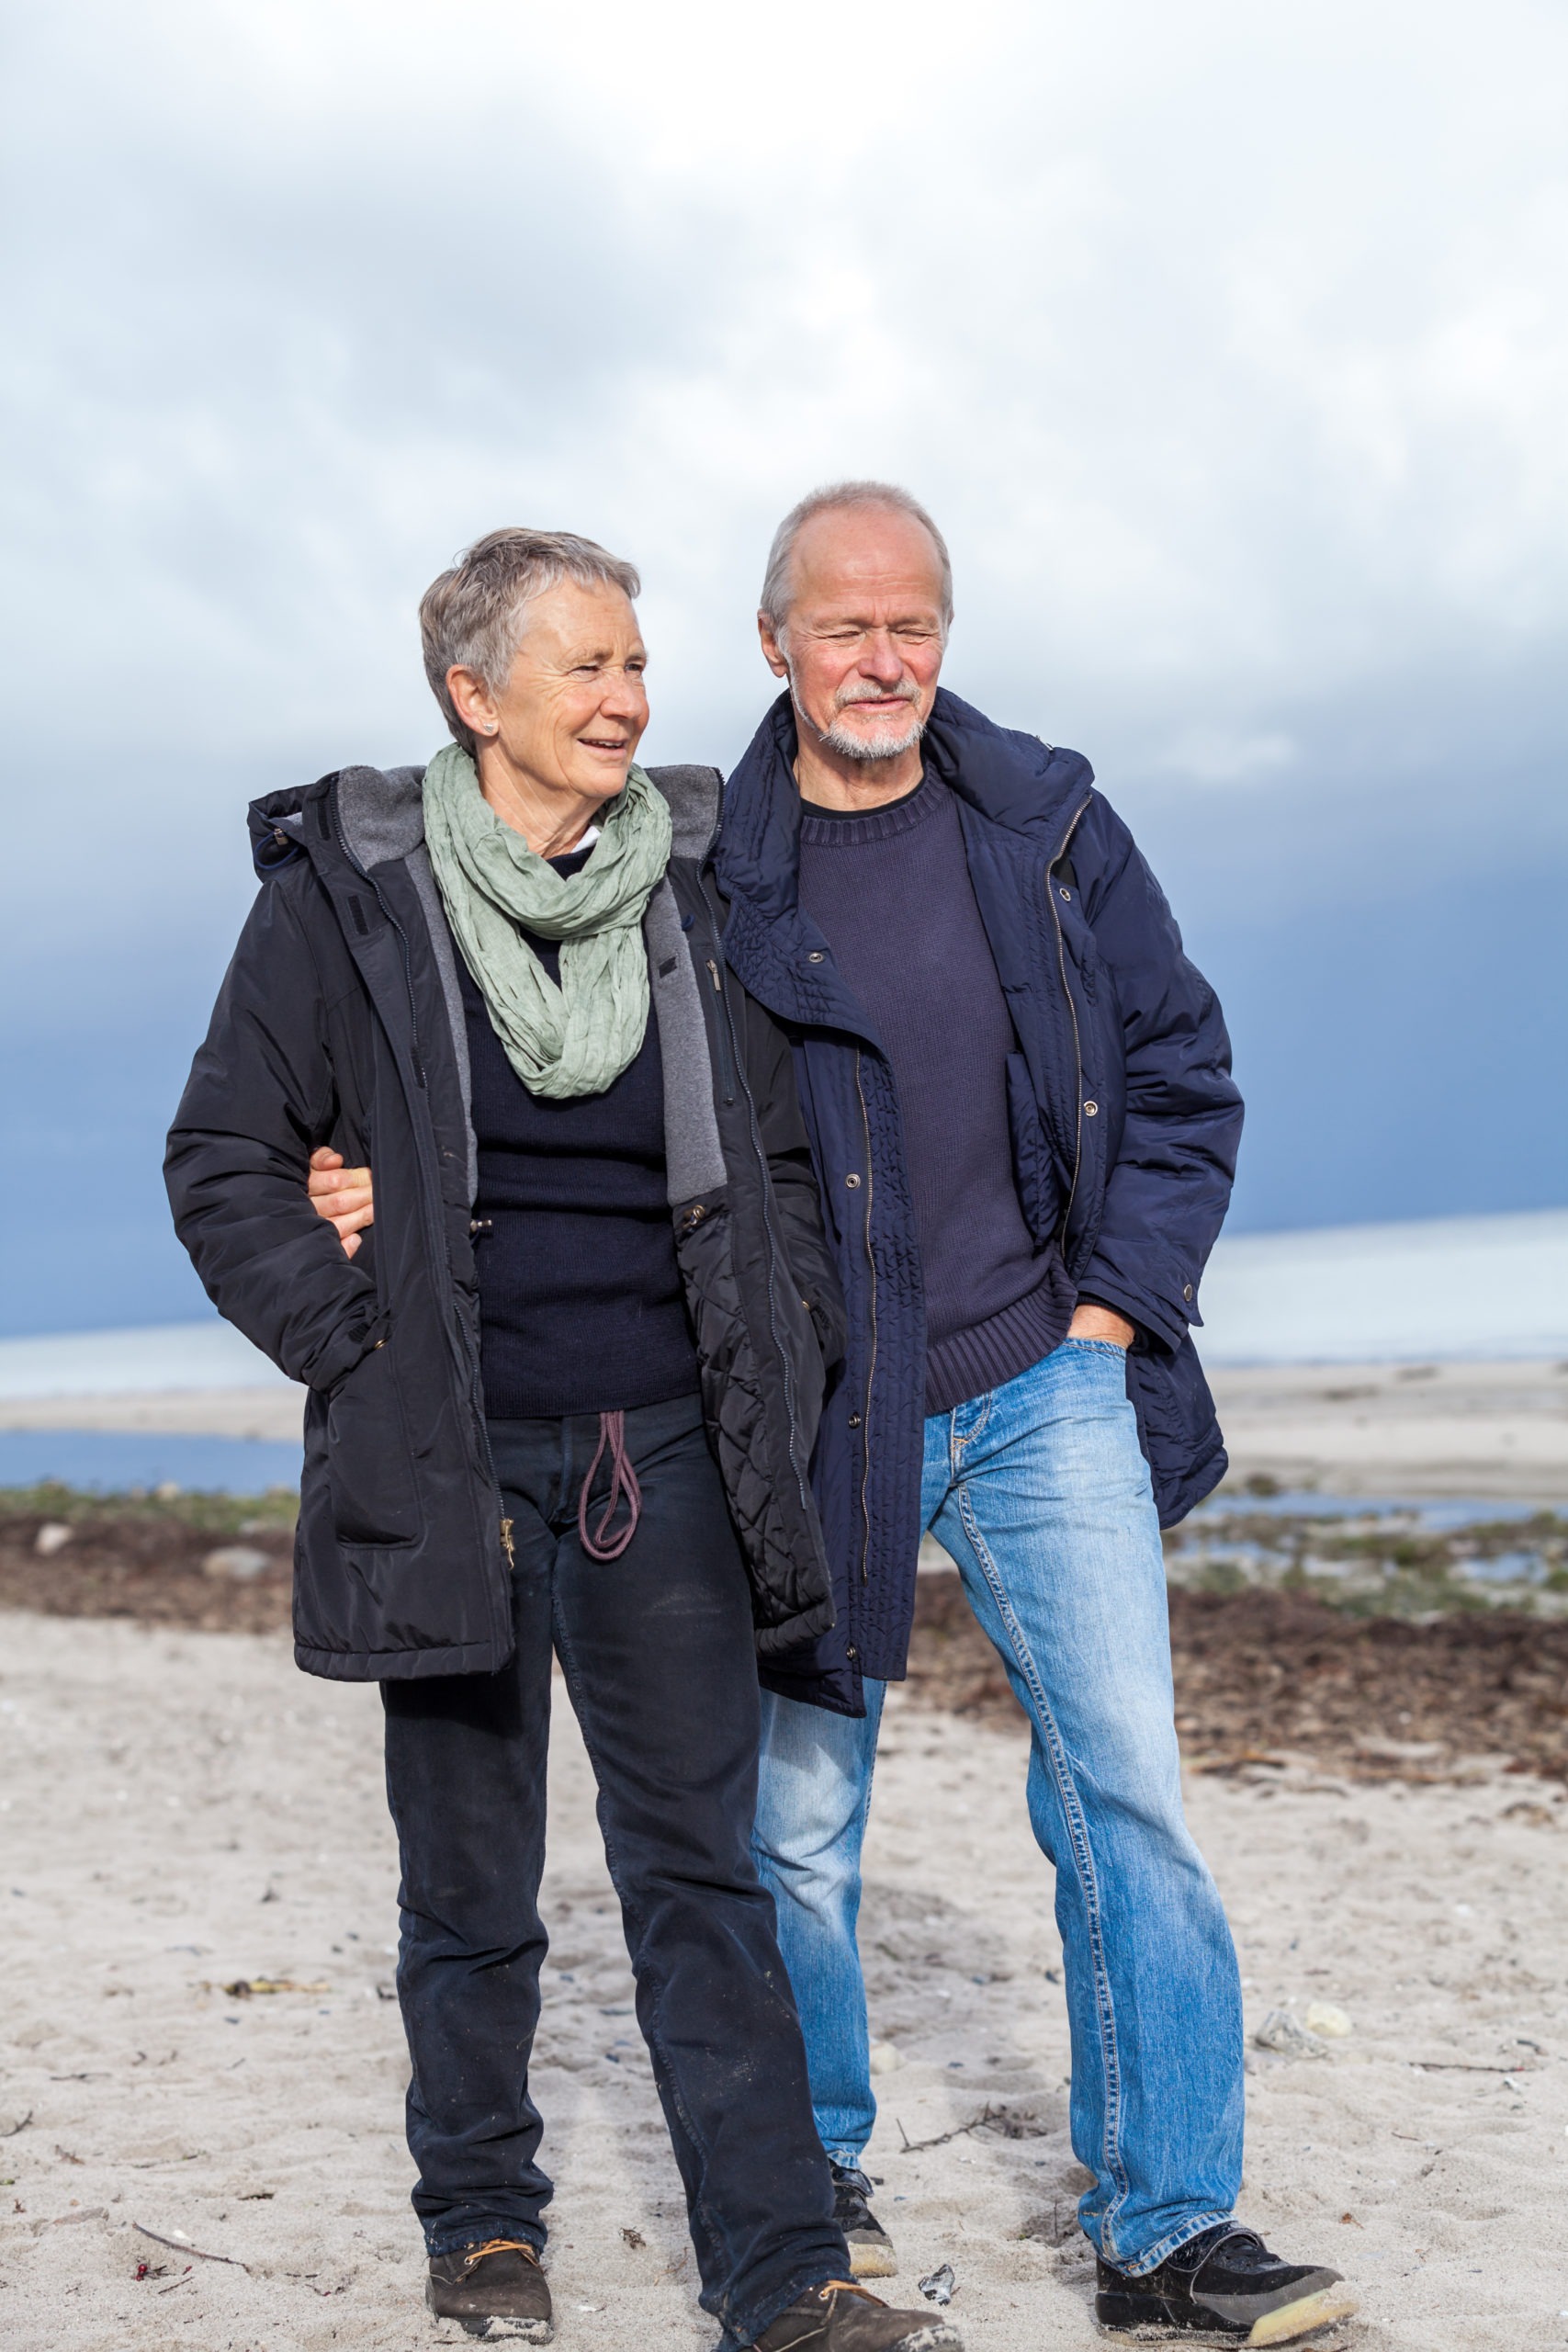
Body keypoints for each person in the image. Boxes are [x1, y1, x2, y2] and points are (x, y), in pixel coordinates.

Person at [164, 527, 961, 2352]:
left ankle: (779, 2267)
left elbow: (767, 1160)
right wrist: (353, 1335)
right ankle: (484, 2222)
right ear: (473, 694)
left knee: (701, 1865)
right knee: (470, 1878)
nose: (630, 696)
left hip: (664, 1452)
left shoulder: (688, 892)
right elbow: (225, 1158)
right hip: (443, 1453)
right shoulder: (349, 899)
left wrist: (799, 1340)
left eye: (634, 661)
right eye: (587, 666)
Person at [717, 483, 1359, 2346]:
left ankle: (1163, 2228)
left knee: (1127, 1793)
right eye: (842, 626)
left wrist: (1111, 1309)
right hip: (817, 1416)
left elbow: (1182, 1068)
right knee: (796, 1823)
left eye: (910, 621)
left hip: (1036, 1381)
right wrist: (356, 1162)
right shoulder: (704, 866)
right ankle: (810, 2177)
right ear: (775, 642)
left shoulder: (1047, 820)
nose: (882, 657)